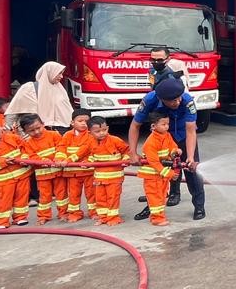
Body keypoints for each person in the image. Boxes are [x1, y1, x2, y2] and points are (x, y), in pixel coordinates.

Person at [131, 77, 206, 220]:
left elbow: (191, 130)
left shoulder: (187, 100)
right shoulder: (149, 100)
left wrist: (190, 156)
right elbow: (135, 125)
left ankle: (199, 206)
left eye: (178, 99)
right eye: (172, 101)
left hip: (184, 137)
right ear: (161, 98)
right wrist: (133, 153)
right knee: (156, 177)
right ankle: (152, 207)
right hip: (162, 139)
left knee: (193, 173)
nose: (177, 102)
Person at [20, 114, 65, 224]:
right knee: (44, 197)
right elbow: (30, 156)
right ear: (25, 132)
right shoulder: (27, 143)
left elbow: (62, 147)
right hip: (42, 176)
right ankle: (43, 216)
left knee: (62, 195)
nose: (36, 132)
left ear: (43, 124)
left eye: (38, 128)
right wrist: (42, 160)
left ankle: (64, 213)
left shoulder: (54, 135)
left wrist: (59, 158)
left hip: (59, 173)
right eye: (31, 130)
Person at [86, 116, 129, 226]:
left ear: (108, 128)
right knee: (100, 199)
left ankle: (113, 217)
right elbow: (92, 155)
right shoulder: (91, 142)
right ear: (89, 132)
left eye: (104, 130)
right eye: (97, 131)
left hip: (114, 178)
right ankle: (103, 217)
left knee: (113, 198)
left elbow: (127, 151)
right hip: (99, 178)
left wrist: (125, 160)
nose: (102, 133)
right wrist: (88, 163)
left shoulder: (115, 140)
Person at [138, 112, 179, 227]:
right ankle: (157, 218)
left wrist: (175, 151)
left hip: (161, 175)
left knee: (161, 196)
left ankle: (159, 215)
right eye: (163, 124)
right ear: (153, 126)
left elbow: (172, 146)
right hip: (152, 176)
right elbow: (154, 162)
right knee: (155, 197)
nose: (166, 126)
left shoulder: (167, 135)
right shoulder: (150, 142)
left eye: (167, 124)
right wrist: (169, 173)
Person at [7, 62, 73, 132]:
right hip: (37, 132)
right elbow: (13, 112)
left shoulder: (61, 90)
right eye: (59, 73)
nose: (61, 76)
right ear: (49, 72)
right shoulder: (29, 88)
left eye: (62, 73)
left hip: (62, 132)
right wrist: (9, 131)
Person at [59, 109, 96, 222]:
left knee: (92, 194)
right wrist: (59, 158)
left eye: (86, 121)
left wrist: (69, 159)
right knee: (73, 195)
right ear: (72, 122)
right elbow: (61, 147)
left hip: (88, 171)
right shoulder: (67, 135)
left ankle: (94, 212)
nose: (84, 123)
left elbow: (85, 150)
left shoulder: (91, 135)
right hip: (72, 172)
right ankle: (75, 213)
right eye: (80, 120)